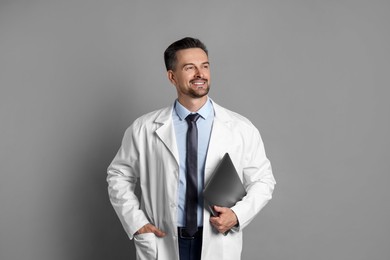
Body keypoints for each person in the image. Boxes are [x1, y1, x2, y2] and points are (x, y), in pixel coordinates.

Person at [107, 37, 276, 260]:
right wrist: (137, 224)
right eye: (190, 68)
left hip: (217, 238)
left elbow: (264, 180)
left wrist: (236, 215)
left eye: (204, 66)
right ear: (172, 76)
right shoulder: (144, 128)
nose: (200, 74)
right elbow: (118, 175)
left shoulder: (240, 128)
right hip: (163, 239)